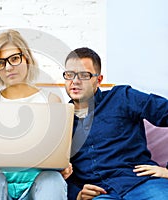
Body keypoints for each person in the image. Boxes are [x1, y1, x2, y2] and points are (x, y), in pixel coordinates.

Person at [0, 29, 73, 200]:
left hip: (39, 183)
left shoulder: (51, 101)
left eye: (14, 59)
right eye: (0, 63)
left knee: (53, 180)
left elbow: (57, 153)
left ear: (26, 58)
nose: (8, 68)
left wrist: (63, 166)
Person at [63, 47, 168, 200]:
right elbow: (59, 169)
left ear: (98, 80)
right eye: (70, 75)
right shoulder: (61, 121)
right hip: (101, 194)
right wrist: (76, 194)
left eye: (84, 75)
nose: (75, 81)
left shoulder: (123, 98)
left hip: (141, 183)